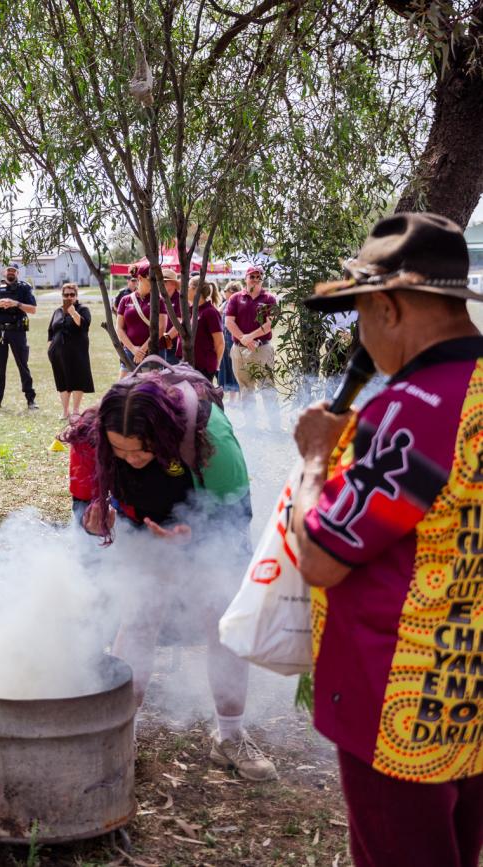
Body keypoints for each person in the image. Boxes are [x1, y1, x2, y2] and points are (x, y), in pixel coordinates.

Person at [289, 213, 483, 867]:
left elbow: (320, 559)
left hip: (398, 705)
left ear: (388, 307)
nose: (362, 337)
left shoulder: (412, 409)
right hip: (473, 692)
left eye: (361, 316)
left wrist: (316, 459)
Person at [64, 369, 277, 781]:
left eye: (140, 451)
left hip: (204, 516)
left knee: (222, 619)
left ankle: (230, 735)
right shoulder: (90, 436)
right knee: (141, 615)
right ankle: (121, 733)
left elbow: (234, 516)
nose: (130, 459)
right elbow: (84, 507)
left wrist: (193, 536)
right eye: (120, 451)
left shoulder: (210, 437)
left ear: (162, 436)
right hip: (141, 517)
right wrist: (95, 521)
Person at [225, 265, 278, 426]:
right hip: (239, 350)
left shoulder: (269, 298)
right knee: (245, 388)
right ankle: (251, 425)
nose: (255, 279)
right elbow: (229, 322)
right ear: (246, 278)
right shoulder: (235, 298)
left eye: (258, 277)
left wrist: (250, 337)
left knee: (267, 387)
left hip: (262, 348)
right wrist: (244, 339)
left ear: (262, 279)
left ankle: (274, 425)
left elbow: (270, 324)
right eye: (252, 276)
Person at [0, 264, 37, 410]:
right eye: (8, 270)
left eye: (13, 271)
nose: (11, 273)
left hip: (17, 331)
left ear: (17, 273)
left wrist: (16, 304)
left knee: (23, 366)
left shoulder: (24, 288)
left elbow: (33, 309)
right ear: (4, 272)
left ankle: (31, 400)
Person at [47, 282, 93, 418]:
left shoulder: (83, 309)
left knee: (77, 378)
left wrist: (73, 313)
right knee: (62, 380)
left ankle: (76, 410)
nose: (69, 297)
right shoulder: (58, 311)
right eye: (66, 295)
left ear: (76, 295)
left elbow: (84, 325)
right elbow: (51, 331)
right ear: (62, 296)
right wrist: (50, 349)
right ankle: (65, 411)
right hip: (57, 353)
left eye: (72, 294)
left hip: (77, 351)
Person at [185, 277, 225, 383]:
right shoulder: (192, 310)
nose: (186, 289)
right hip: (190, 364)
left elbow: (220, 343)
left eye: (188, 287)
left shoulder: (210, 312)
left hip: (204, 367)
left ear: (196, 290)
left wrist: (215, 365)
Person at [217, 281, 241, 394]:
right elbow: (218, 312)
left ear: (232, 292)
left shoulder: (237, 303)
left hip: (233, 338)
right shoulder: (227, 302)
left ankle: (236, 396)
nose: (224, 293)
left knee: (234, 367)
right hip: (225, 338)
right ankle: (232, 396)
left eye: (225, 291)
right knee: (227, 367)